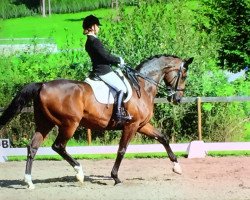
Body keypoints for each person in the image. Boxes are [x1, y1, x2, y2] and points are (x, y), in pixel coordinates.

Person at [82, 14, 131, 123]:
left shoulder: (88, 42)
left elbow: (102, 57)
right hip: (103, 71)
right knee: (122, 88)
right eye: (97, 26)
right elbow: (105, 56)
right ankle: (118, 114)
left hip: (98, 69)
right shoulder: (95, 41)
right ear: (93, 27)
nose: (99, 28)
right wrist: (118, 60)